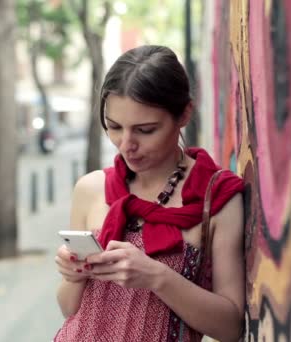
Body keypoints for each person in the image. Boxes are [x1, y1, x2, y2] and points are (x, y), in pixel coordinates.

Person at [53, 45, 245, 342]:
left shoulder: (215, 197)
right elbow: (69, 308)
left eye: (145, 130)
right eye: (114, 126)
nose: (126, 144)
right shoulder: (91, 189)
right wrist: (73, 275)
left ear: (184, 114)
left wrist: (157, 276)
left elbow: (231, 327)